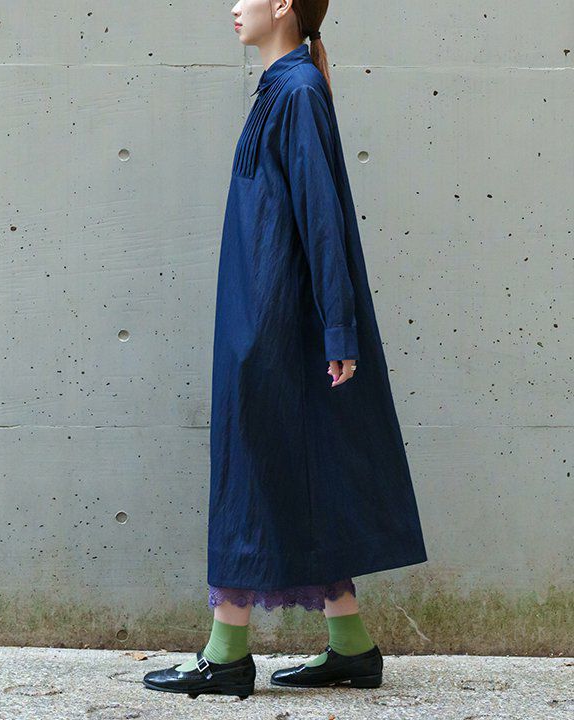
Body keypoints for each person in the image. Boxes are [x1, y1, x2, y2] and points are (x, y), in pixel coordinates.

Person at [143, 0, 427, 699]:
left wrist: (339, 329)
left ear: (282, 6)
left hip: (274, 327)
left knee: (251, 475)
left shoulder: (296, 92)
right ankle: (352, 646)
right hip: (259, 316)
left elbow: (321, 215)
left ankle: (226, 655)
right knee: (295, 480)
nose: (233, 6)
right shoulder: (283, 88)